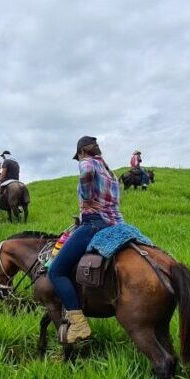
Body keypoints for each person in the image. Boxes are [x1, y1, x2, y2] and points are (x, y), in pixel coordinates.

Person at [47, 135, 124, 343]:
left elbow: (87, 171)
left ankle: (79, 325)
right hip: (116, 224)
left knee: (56, 271)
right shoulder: (110, 172)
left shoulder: (88, 163)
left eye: (78, 157)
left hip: (94, 224)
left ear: (81, 152)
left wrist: (88, 198)